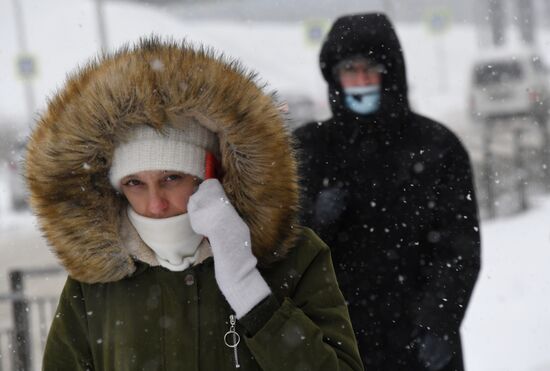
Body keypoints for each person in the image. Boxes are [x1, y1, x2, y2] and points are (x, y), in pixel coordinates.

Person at [25, 38, 363, 371]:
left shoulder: (294, 258)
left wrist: (251, 297)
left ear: (210, 175)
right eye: (134, 183)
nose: (155, 204)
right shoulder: (95, 283)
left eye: (172, 178)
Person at [293, 13, 481, 371]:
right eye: (350, 69)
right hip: (337, 341)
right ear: (334, 75)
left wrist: (439, 321)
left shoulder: (437, 147)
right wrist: (315, 223)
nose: (361, 80)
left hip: (419, 340)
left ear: (390, 71)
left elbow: (459, 246)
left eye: (371, 68)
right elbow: (281, 250)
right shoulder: (308, 150)